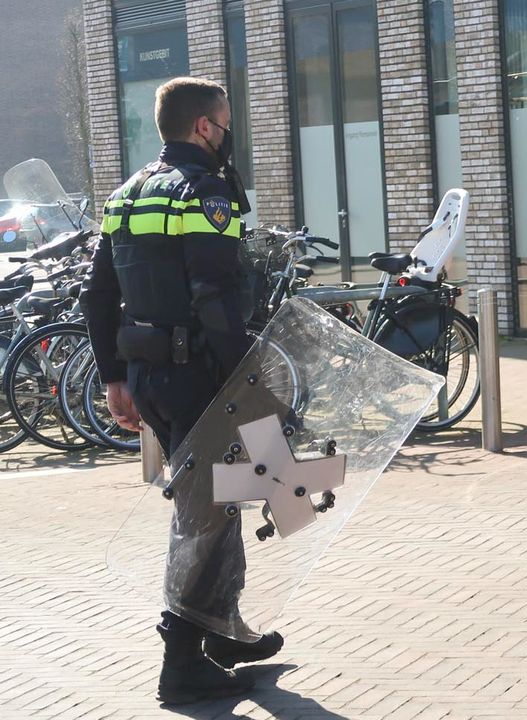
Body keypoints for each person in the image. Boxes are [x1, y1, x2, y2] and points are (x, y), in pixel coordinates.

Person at [80, 77, 280, 704]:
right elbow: (215, 298)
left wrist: (114, 377)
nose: (228, 135)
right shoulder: (206, 191)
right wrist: (250, 380)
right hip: (200, 374)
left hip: (150, 377)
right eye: (225, 123)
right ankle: (182, 658)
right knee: (206, 509)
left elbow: (98, 296)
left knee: (216, 497)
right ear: (204, 128)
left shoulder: (127, 192)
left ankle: (222, 629)